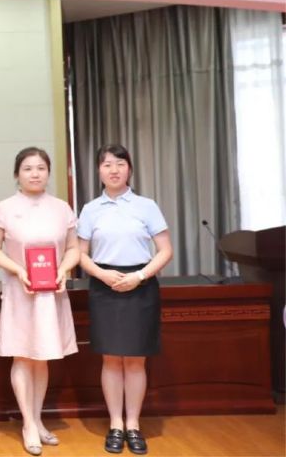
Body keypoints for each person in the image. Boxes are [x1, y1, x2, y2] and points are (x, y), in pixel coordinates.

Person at [77, 145, 173, 456]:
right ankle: (115, 424)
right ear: (99, 170)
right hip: (104, 285)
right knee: (110, 358)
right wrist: (102, 275)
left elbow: (165, 250)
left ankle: (133, 424)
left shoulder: (146, 206)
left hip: (140, 285)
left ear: (129, 169)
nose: (114, 169)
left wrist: (140, 276)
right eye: (107, 164)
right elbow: (80, 254)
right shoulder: (90, 209)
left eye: (120, 163)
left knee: (134, 360)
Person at [0, 147, 80, 456]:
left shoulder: (61, 208)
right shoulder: (4, 208)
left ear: (48, 172)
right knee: (23, 357)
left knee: (42, 357)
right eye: (28, 168)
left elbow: (73, 249)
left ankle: (38, 420)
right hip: (20, 291)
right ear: (17, 174)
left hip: (52, 293)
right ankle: (27, 423)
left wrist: (64, 270)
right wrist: (18, 270)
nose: (35, 174)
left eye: (41, 168)